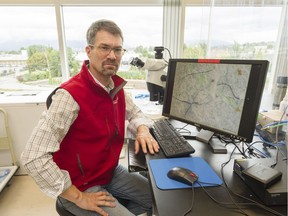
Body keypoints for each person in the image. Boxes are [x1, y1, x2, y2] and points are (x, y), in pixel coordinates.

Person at [21, 19, 160, 216]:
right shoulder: (69, 96)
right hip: (81, 185)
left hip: (109, 172)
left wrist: (142, 129)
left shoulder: (116, 88)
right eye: (104, 48)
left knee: (160, 199)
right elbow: (32, 156)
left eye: (118, 49)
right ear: (89, 51)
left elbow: (136, 113)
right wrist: (78, 197)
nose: (112, 56)